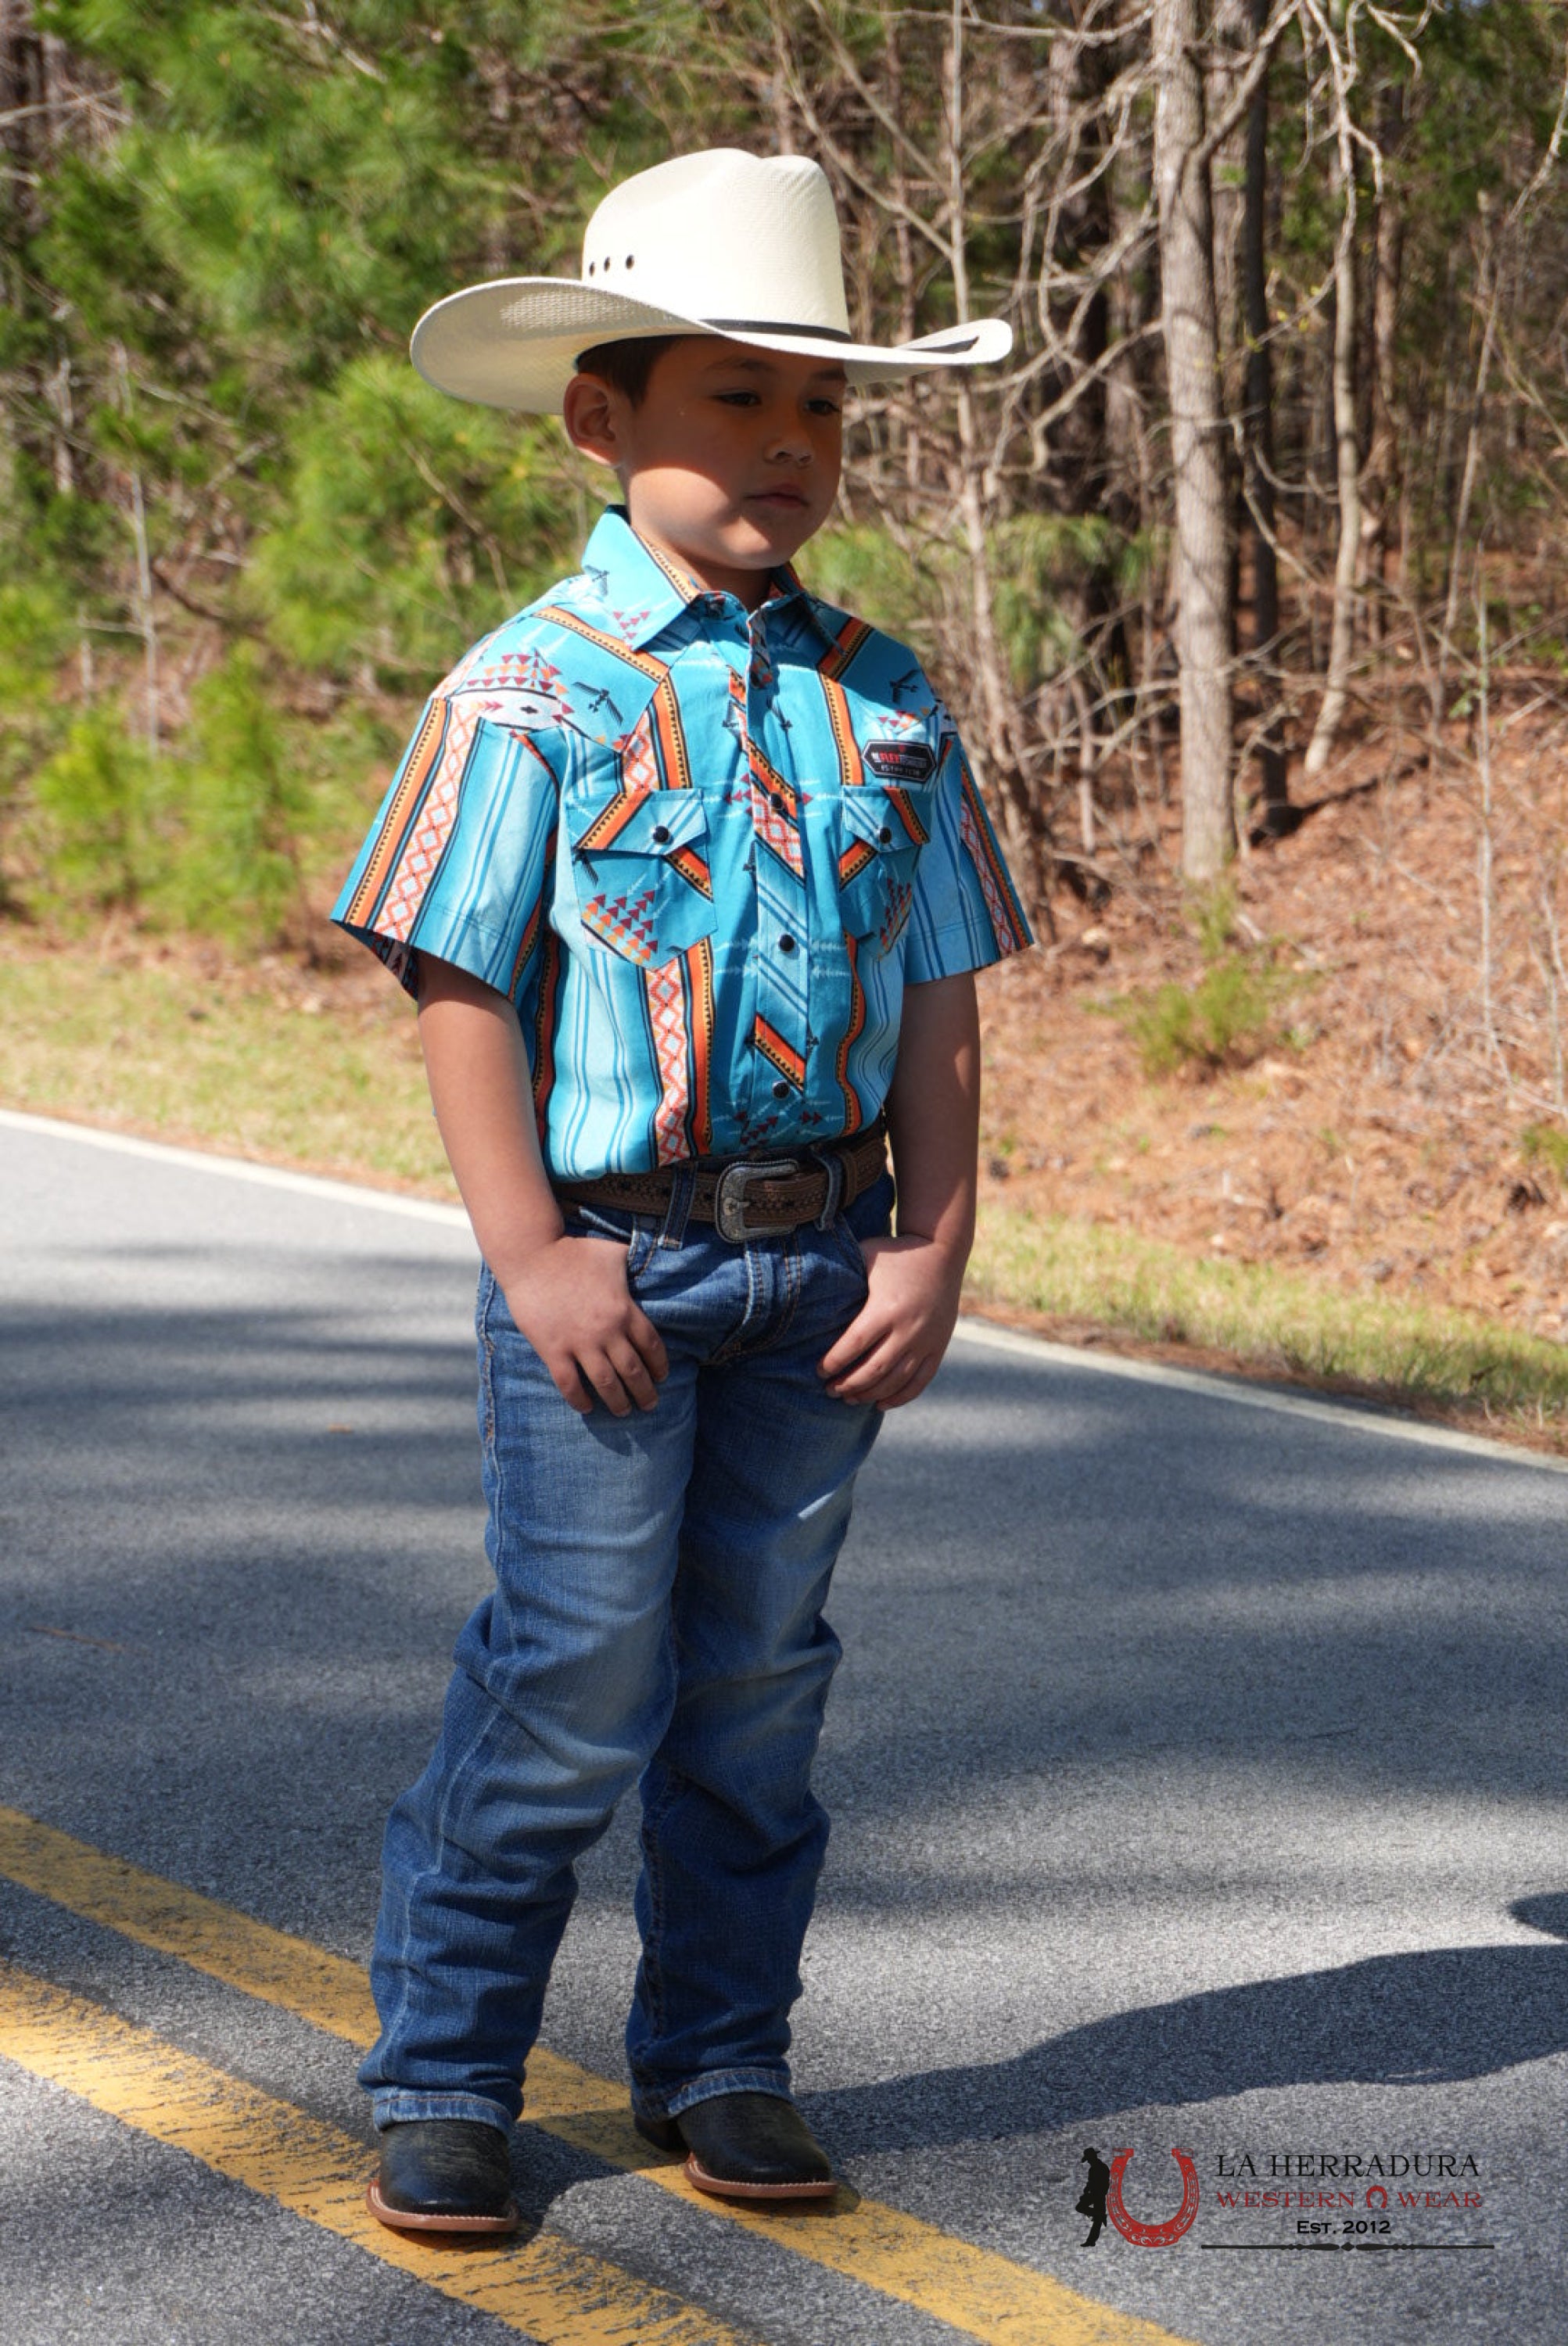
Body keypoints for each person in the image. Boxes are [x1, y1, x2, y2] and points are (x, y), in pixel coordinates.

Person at [332, 146, 1032, 2237]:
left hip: (823, 1266)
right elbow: (461, 981)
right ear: (601, 417)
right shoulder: (528, 687)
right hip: (609, 1265)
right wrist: (530, 1252)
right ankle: (447, 2071)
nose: (791, 445)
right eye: (737, 397)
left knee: (754, 1682)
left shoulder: (885, 702)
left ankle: (723, 2056)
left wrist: (933, 1236)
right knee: (570, 1678)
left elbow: (943, 999)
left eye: (823, 407)